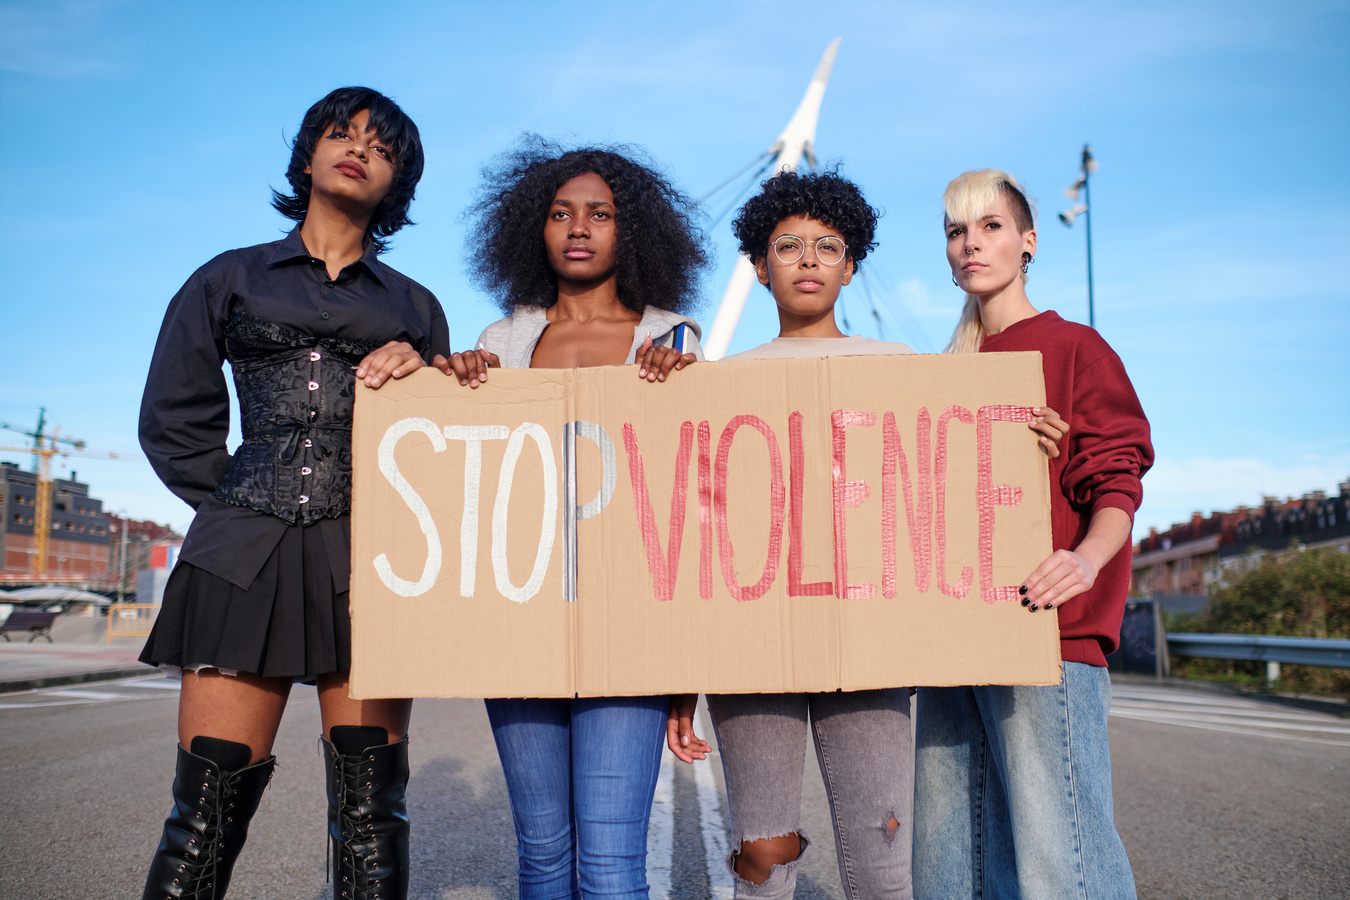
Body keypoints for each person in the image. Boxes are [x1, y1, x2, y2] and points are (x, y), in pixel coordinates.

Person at [665, 170, 1068, 899]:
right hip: (752, 647)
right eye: (788, 246)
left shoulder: (904, 371)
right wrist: (678, 683)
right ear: (759, 267)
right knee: (764, 858)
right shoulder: (714, 384)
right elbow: (700, 538)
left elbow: (952, 485)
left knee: (883, 868)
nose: (810, 259)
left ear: (851, 266)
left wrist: (1024, 438)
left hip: (874, 650)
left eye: (828, 246)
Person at [137, 87, 448, 900]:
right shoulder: (227, 277)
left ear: (396, 184)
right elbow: (174, 417)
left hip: (370, 566)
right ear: (308, 155)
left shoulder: (415, 307)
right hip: (240, 559)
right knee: (201, 814)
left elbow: (442, 446)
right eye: (341, 135)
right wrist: (238, 501)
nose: (358, 149)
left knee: (373, 814)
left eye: (380, 148)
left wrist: (429, 373)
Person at [442, 139, 710, 899]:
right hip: (521, 622)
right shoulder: (501, 343)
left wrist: (688, 670)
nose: (579, 227)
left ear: (635, 231)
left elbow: (691, 507)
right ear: (535, 228)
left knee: (612, 863)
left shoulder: (675, 338)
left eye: (600, 213)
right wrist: (455, 383)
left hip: (632, 629)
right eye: (560, 213)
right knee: (543, 857)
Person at [912, 169, 1153, 900]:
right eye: (956, 231)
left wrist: (1085, 559)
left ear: (1028, 243)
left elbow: (1117, 481)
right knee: (948, 864)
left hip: (1046, 630)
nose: (970, 244)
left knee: (1061, 864)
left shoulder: (1074, 346)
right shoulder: (942, 376)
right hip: (955, 638)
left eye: (989, 226)